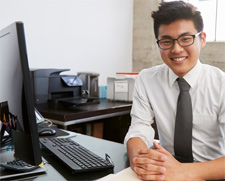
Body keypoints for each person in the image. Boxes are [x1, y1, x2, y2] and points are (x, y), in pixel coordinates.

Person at [124, 1, 225, 181]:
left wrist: (183, 171)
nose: (176, 49)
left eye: (186, 39)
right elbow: (140, 127)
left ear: (202, 40)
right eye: (166, 41)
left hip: (210, 173)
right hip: (165, 171)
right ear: (158, 43)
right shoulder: (147, 79)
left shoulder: (221, 84)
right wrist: (138, 160)